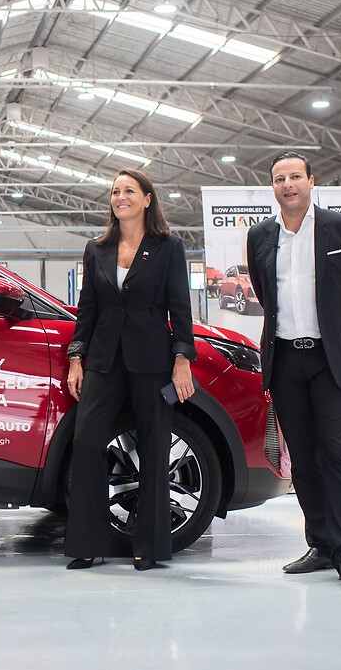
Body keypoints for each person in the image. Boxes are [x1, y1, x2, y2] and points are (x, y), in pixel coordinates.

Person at [246, 150, 341, 585]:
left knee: (338, 454)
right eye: (280, 178)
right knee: (302, 459)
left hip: (329, 359)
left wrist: (337, 334)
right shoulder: (260, 236)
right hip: (285, 359)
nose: (288, 185)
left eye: (295, 176)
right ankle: (320, 543)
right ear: (273, 187)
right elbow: (267, 295)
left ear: (311, 181)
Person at [64, 168, 197, 571]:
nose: (120, 196)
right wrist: (76, 357)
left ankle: (150, 545)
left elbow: (181, 308)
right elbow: (87, 308)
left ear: (147, 199)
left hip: (152, 360)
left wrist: (181, 360)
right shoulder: (97, 248)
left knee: (155, 449)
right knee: (87, 443)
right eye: (115, 191)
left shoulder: (169, 246)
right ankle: (87, 542)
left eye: (128, 190)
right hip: (104, 361)